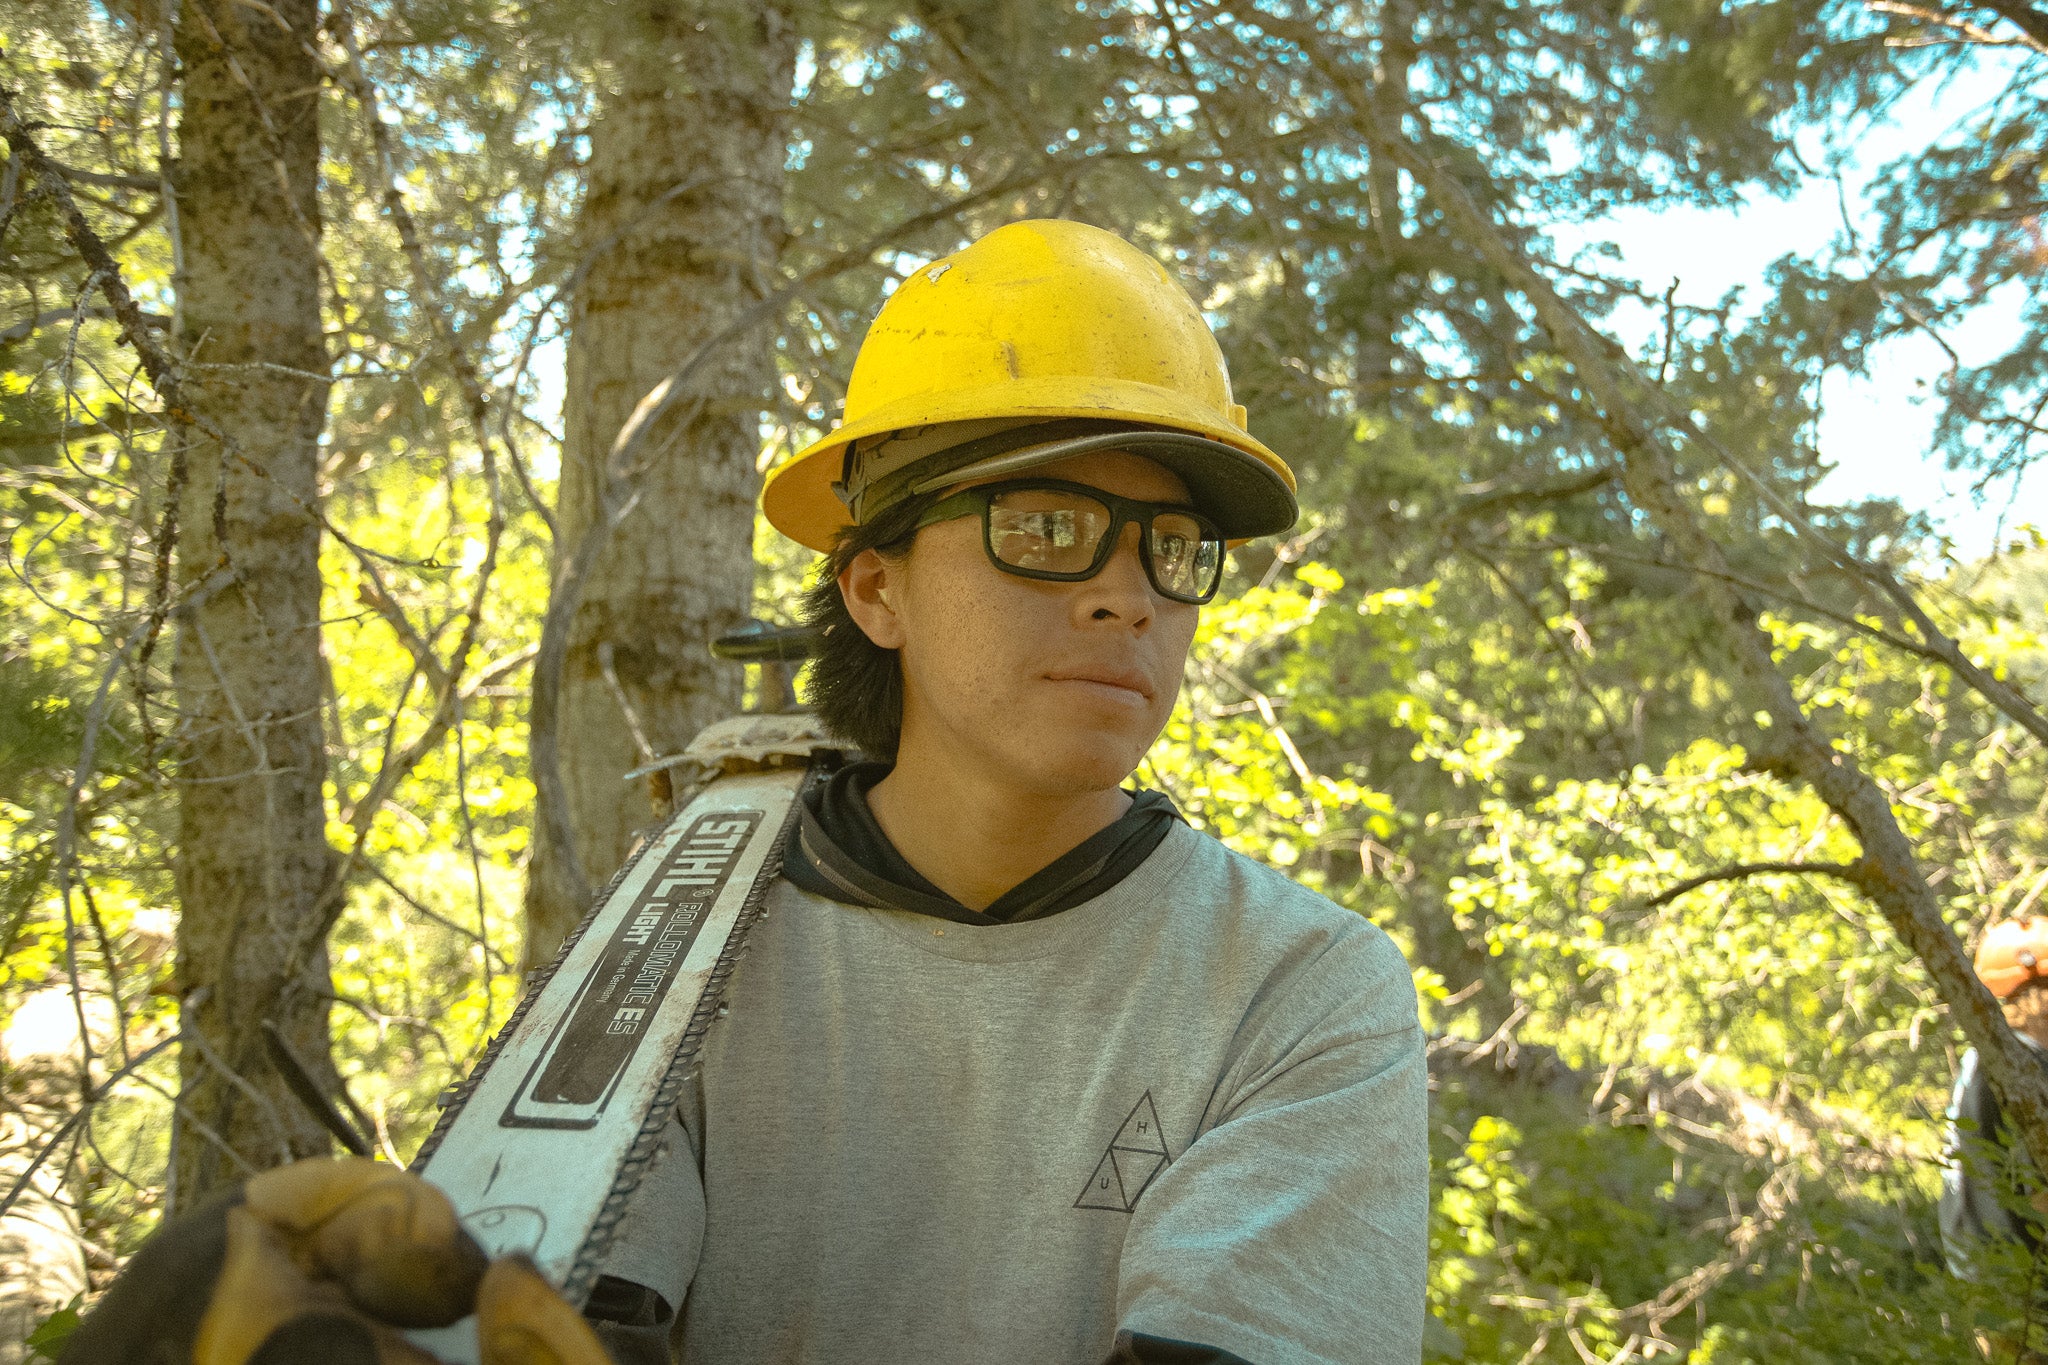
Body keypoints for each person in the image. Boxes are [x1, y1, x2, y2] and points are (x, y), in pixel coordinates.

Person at [60, 220, 1429, 1365]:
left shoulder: (1301, 991)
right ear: (876, 586)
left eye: (1172, 548)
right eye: (1049, 528)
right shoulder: (687, 941)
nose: (1125, 591)